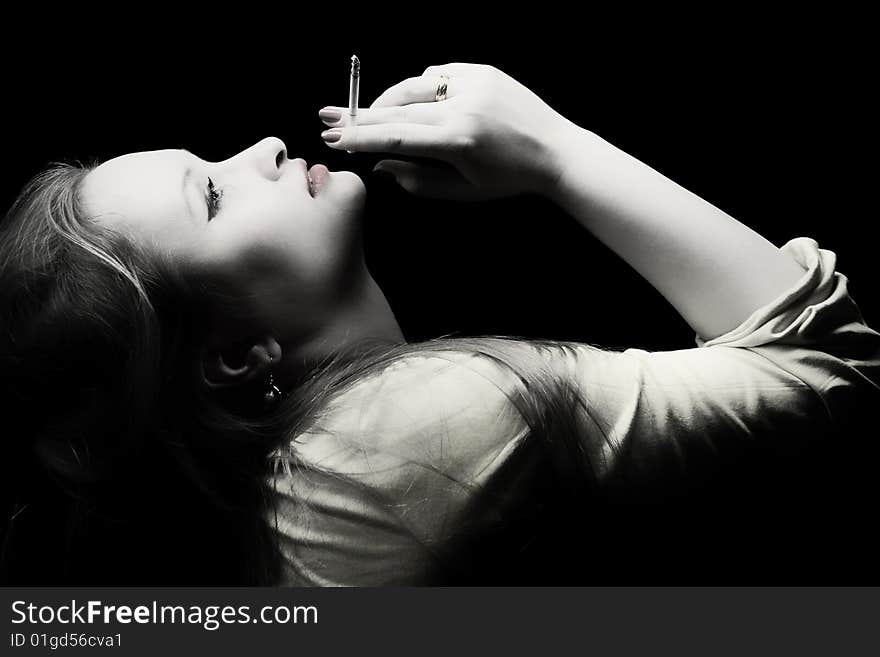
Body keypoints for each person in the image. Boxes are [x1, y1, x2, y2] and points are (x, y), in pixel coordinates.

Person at [0, 63, 877, 586]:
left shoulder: (316, 465)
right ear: (235, 354)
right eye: (215, 195)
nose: (264, 147)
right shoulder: (395, 433)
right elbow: (825, 364)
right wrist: (550, 148)